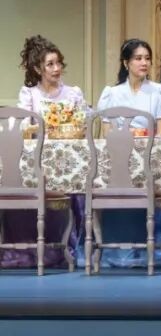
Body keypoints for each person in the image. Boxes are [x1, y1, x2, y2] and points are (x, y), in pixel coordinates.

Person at [91, 38, 161, 269]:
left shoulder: (158, 91)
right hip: (120, 159)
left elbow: (160, 134)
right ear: (126, 63)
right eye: (138, 58)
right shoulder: (112, 93)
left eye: (147, 58)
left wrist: (140, 135)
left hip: (151, 158)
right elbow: (108, 136)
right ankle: (113, 247)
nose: (144, 63)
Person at [2, 36, 85, 270]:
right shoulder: (30, 94)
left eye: (58, 63)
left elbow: (82, 125)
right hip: (39, 159)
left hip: (69, 157)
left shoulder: (73, 93)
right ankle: (30, 247)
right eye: (50, 64)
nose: (56, 68)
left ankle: (71, 246)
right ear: (38, 69)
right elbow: (22, 126)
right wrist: (39, 127)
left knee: (78, 182)